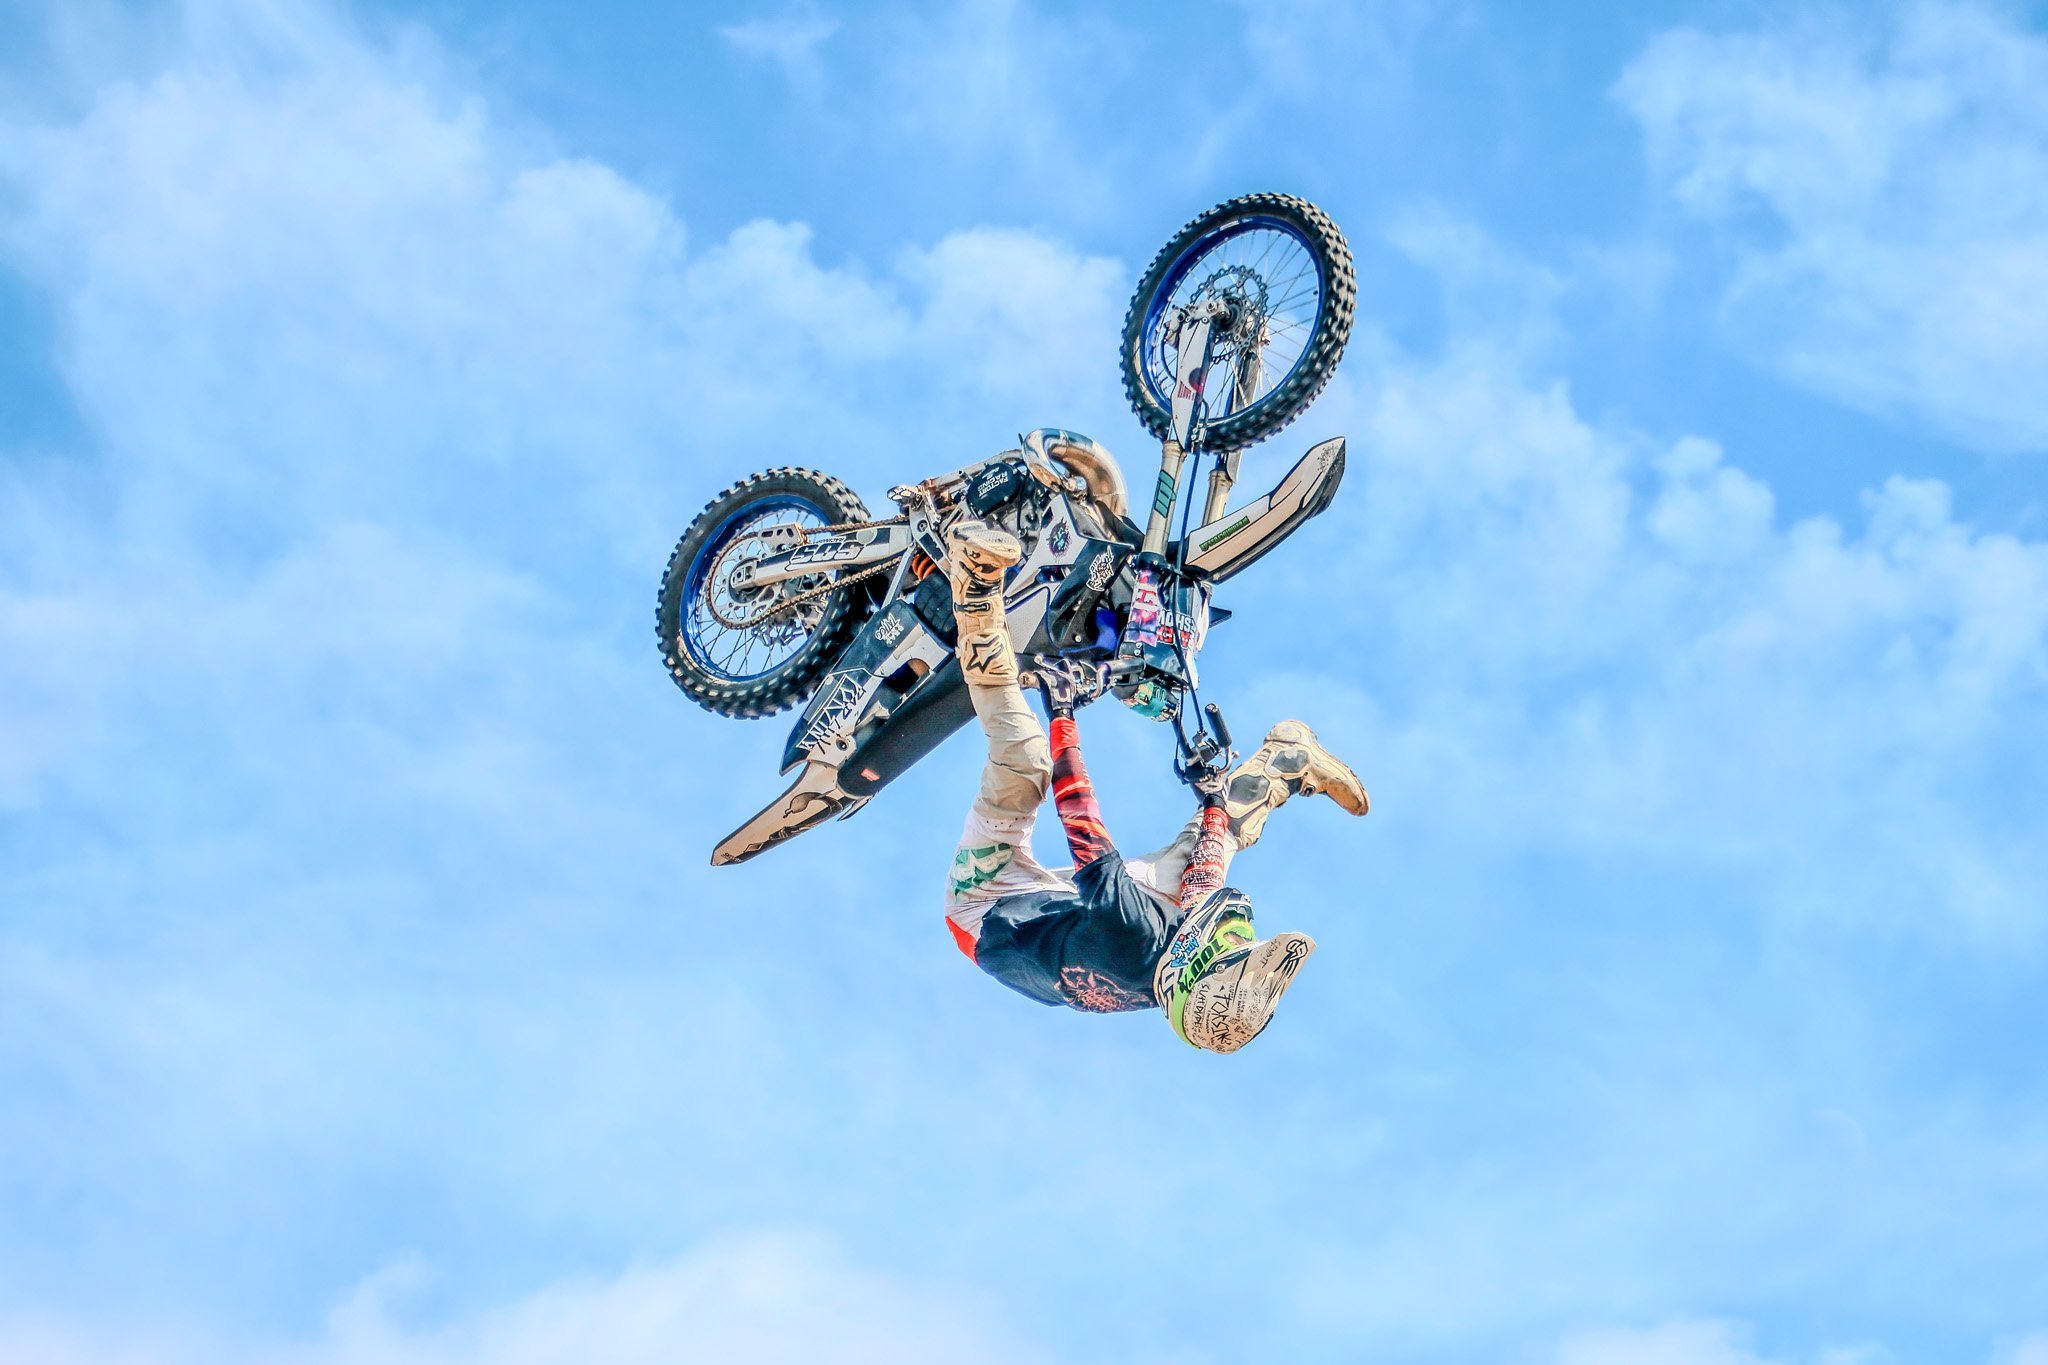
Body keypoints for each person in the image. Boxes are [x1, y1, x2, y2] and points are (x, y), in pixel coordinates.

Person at [941, 520, 1370, 1053]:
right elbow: (1202, 877)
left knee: (1027, 761)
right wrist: (1213, 800)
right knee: (1202, 851)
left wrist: (1062, 709)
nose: (1227, 934)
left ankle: (975, 596)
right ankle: (1286, 759)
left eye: (1228, 947)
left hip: (986, 907)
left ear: (1193, 967)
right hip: (1074, 921)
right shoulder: (1181, 957)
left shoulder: (1137, 936)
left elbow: (1081, 823)